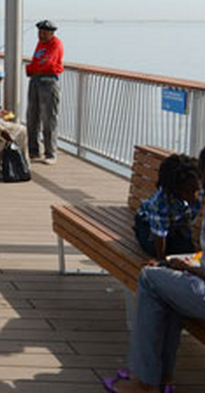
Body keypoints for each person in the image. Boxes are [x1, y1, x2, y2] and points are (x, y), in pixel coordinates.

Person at [105, 150, 205, 393]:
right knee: (167, 283)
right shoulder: (164, 202)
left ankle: (146, 382)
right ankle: (163, 377)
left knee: (151, 279)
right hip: (166, 244)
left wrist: (182, 267)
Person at [134, 154, 202, 260]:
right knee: (154, 249)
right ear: (175, 190)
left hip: (177, 224)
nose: (194, 196)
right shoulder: (161, 203)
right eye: (188, 192)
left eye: (196, 190)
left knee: (187, 250)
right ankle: (139, 233)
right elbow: (159, 236)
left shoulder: (197, 188)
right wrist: (161, 261)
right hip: (149, 225)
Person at [26, 19, 63, 165]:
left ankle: (50, 153)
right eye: (40, 32)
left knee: (49, 118)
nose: (41, 35)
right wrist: (32, 69)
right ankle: (33, 150)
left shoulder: (55, 44)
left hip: (48, 81)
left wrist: (30, 69)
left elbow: (45, 63)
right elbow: (36, 62)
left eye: (44, 33)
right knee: (32, 116)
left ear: (51, 33)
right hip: (35, 80)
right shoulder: (40, 44)